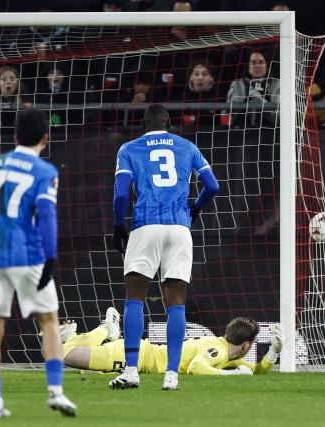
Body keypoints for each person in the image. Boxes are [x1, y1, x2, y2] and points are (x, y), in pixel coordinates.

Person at [0, 109, 76, 419]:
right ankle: (55, 391)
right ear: (45, 138)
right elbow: (47, 216)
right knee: (50, 321)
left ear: (14, 137)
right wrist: (50, 256)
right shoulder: (44, 171)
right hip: (29, 256)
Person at [111, 104, 220, 390]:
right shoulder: (187, 146)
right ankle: (171, 375)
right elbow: (212, 186)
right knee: (176, 301)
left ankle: (131, 370)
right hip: (179, 227)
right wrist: (194, 209)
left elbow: (122, 193)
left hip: (146, 225)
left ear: (143, 123)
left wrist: (116, 225)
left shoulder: (129, 148)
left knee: (135, 296)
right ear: (169, 123)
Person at [61, 308, 285, 376]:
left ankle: (71, 335)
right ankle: (107, 329)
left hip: (140, 364)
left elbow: (255, 372)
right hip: (138, 356)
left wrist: (274, 352)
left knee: (89, 373)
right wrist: (231, 376)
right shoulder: (217, 350)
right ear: (246, 346)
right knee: (62, 355)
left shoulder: (227, 355)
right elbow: (197, 367)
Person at [226, 49, 280, 128]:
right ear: (248, 65)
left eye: (261, 62)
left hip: (269, 132)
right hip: (240, 133)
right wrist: (238, 106)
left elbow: (280, 119)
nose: (257, 66)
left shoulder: (276, 84)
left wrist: (261, 101)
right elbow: (224, 121)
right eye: (253, 62)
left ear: (267, 65)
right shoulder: (237, 84)